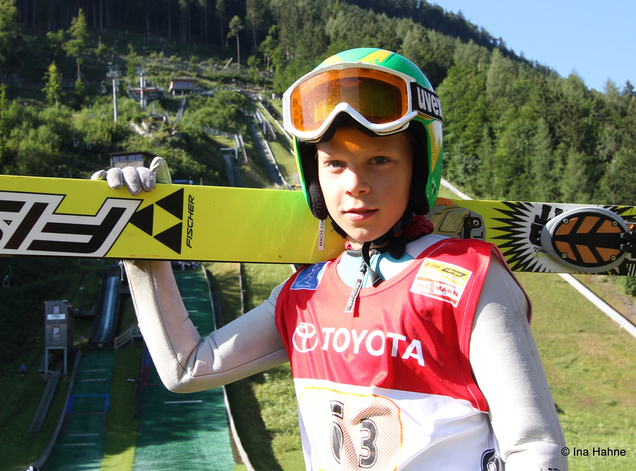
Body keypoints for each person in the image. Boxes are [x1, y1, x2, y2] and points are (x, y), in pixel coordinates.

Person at [94, 48, 567, 470]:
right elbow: (187, 367)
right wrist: (143, 241)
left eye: (379, 160)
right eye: (335, 164)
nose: (355, 184)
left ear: (421, 165)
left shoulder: (468, 278)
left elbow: (535, 448)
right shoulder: (307, 292)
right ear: (313, 177)